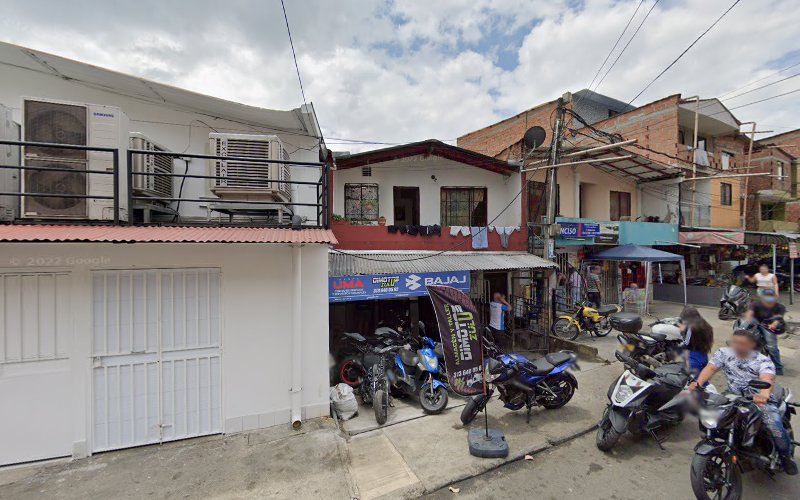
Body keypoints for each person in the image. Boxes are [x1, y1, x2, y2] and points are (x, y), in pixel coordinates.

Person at [690, 329, 797, 475]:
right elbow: (711, 368)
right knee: (712, 413)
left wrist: (763, 394)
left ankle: (786, 458)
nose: (736, 346)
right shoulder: (723, 353)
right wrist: (698, 383)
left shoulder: (762, 360)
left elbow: (768, 378)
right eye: (734, 342)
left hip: (759, 399)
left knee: (774, 425)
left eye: (741, 343)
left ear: (751, 345)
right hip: (733, 395)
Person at [745, 288, 787, 375]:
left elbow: (777, 319)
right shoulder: (755, 304)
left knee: (772, 347)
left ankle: (778, 367)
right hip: (756, 322)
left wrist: (773, 325)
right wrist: (748, 321)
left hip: (768, 325)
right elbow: (750, 313)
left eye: (771, 296)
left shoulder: (780, 307)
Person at [679, 306, 714, 375]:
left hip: (692, 357)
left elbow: (686, 343)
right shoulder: (705, 324)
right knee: (702, 377)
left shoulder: (691, 328)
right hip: (703, 355)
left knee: (691, 379)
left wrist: (682, 333)